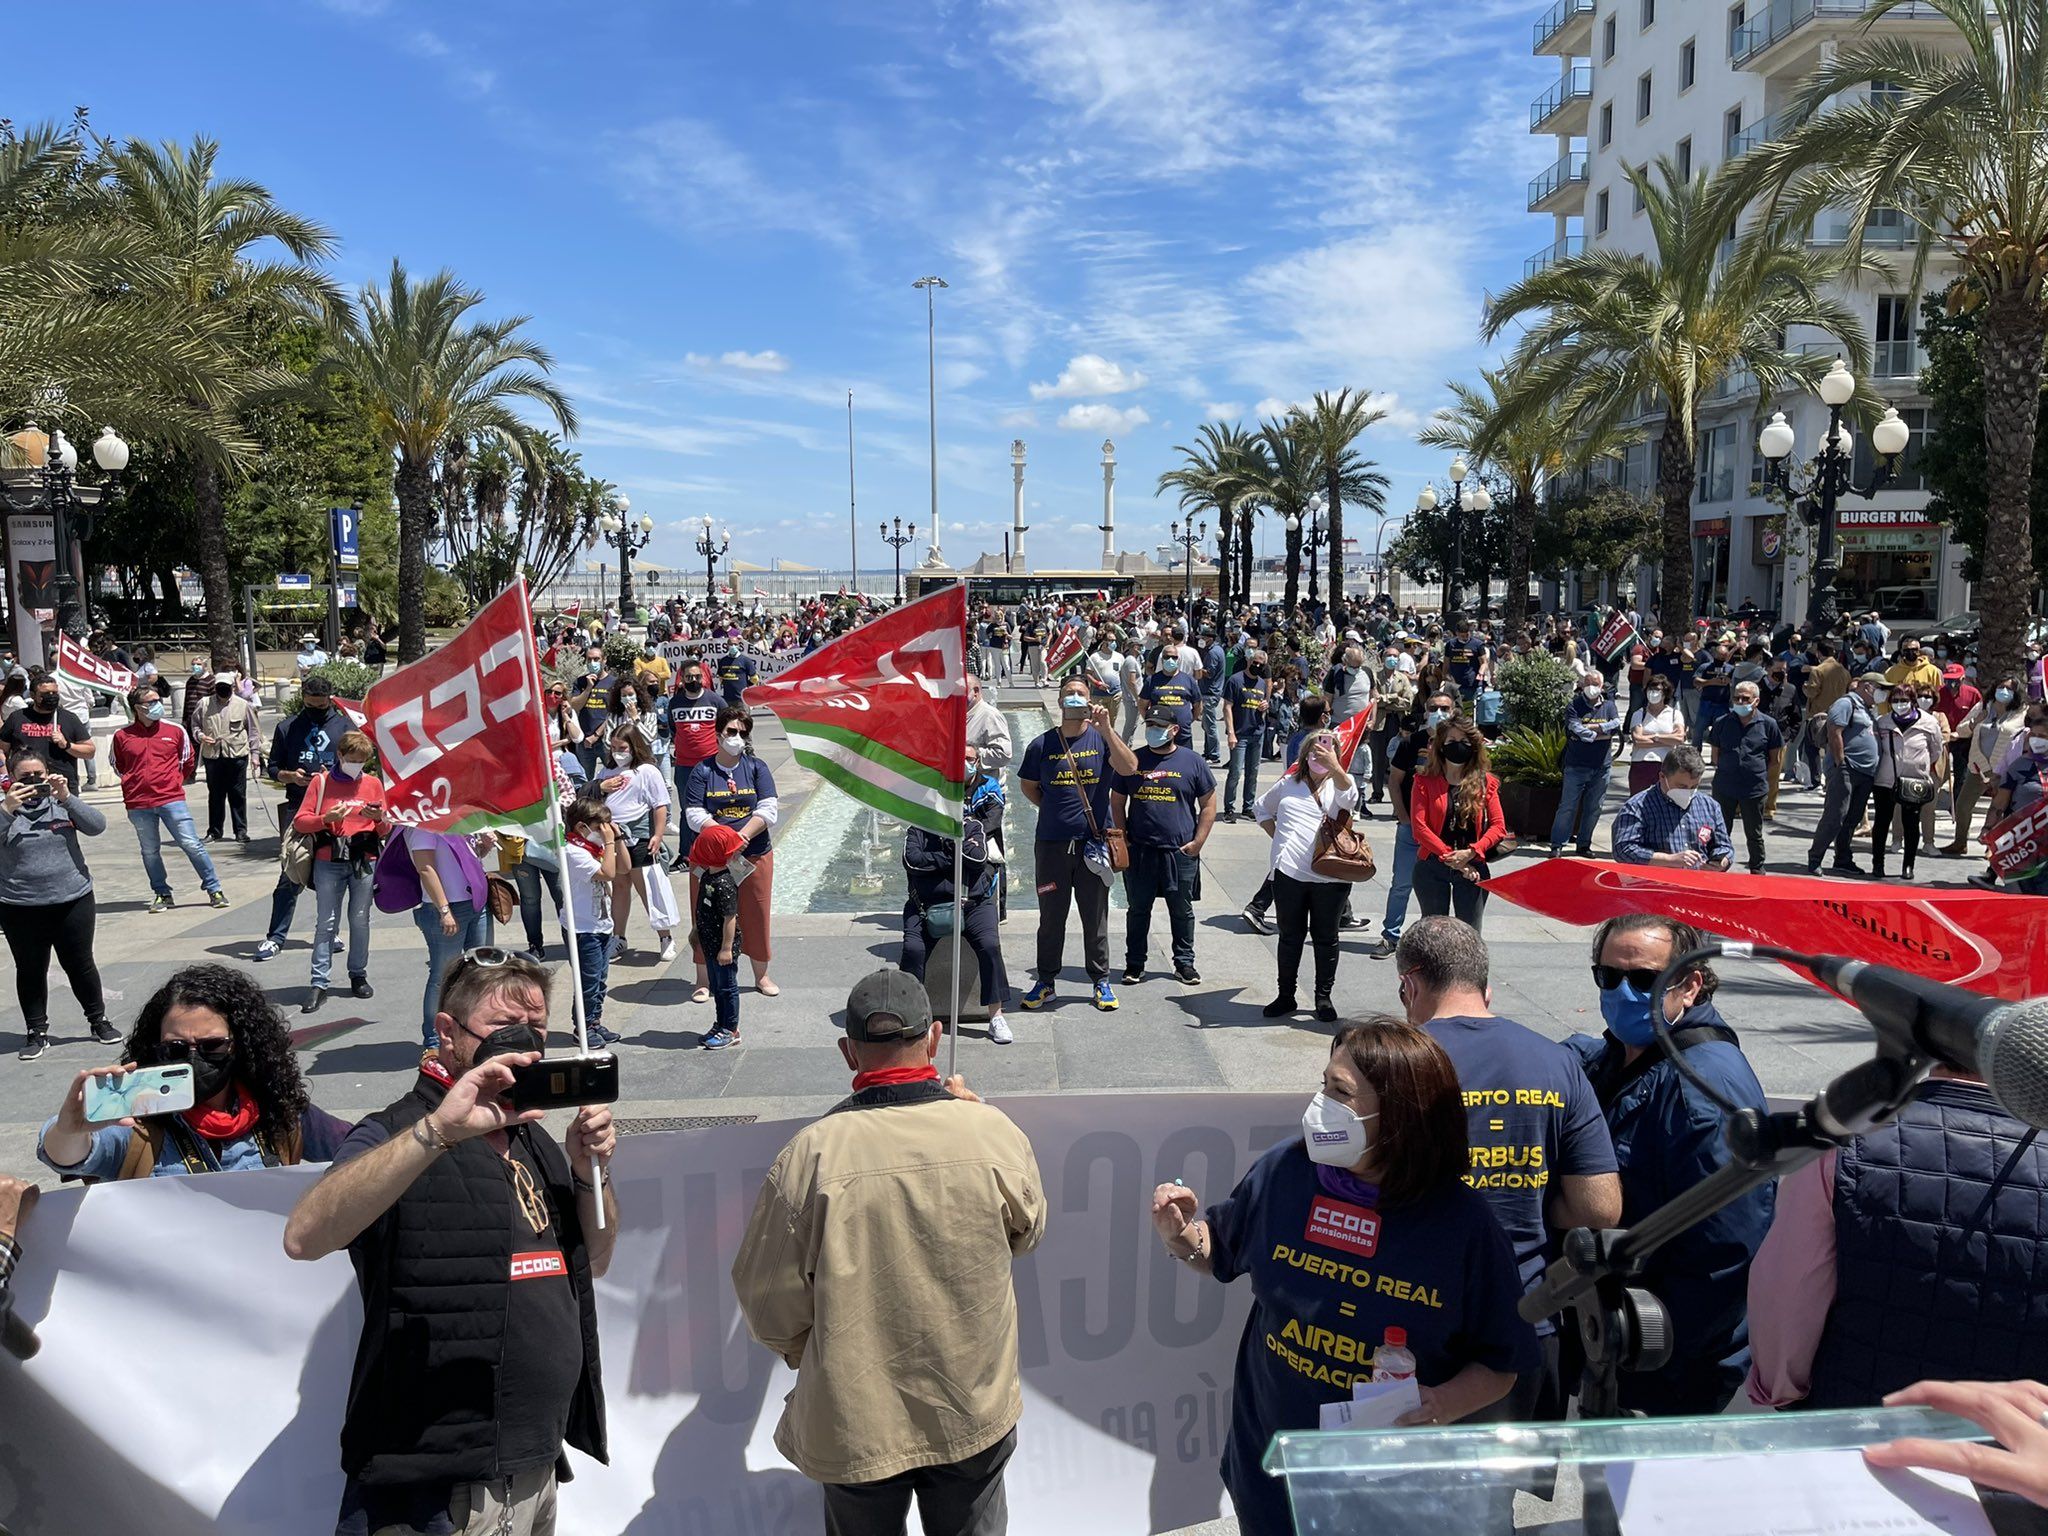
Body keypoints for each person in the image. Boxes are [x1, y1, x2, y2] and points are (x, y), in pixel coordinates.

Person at [1150, 1019, 1538, 1536]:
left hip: (1393, 1495)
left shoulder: (1462, 1226)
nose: (1319, 1104)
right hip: (1273, 1471)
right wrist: (1181, 1236)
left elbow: (1503, 1362)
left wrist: (1442, 1404)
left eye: (1340, 1092)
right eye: (1323, 1085)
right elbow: (1220, 1250)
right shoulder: (1287, 1171)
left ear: (1399, 1115)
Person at [282, 951, 616, 1536]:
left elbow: (598, 1258)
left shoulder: (533, 1135)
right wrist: (436, 1133)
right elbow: (304, 1237)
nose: (524, 1046)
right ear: (447, 1032)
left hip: (534, 1464)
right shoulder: (396, 1130)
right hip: (434, 1487)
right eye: (504, 1030)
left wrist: (592, 1172)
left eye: (537, 1031)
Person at [733, 969, 1044, 1534]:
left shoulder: (809, 1156)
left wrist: (822, 1351)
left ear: (848, 1052)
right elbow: (1028, 1233)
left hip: (857, 1417)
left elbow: (765, 1302)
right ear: (934, 1039)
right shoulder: (992, 1132)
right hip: (971, 1403)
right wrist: (975, 1117)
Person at [1396, 916, 1621, 1420]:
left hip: (1415, 1324)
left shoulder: (1397, 1064)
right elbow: (1600, 1207)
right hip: (1524, 1325)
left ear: (1409, 985)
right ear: (1486, 990)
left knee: (1398, 1488)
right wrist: (1530, 1199)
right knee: (1495, 1496)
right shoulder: (1556, 1063)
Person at [1746, 1066, 2048, 1412]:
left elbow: (1786, 1297)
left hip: (1856, 1438)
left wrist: (1782, 1392)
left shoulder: (1841, 1145)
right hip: (2016, 1450)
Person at [1566, 914, 1774, 1414]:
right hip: (1620, 1340)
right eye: (1608, 976)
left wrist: (1645, 1346)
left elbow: (1727, 1254)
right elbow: (1590, 1060)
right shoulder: (1629, 1051)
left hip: (1666, 1362)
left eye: (1644, 980)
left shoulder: (1701, 1093)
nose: (1623, 992)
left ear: (1689, 985)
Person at [38, 964, 350, 1179]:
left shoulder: (279, 1112)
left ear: (241, 1045)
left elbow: (360, 1145)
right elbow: (68, 1156)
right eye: (175, 1048)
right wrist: (69, 1130)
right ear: (155, 1046)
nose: (193, 1058)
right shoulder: (137, 1122)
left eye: (212, 1045)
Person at [1018, 680, 1138, 1012]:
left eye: (1081, 694)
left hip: (1092, 846)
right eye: (1069, 693)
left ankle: (1100, 981)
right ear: (1058, 700)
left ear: (1090, 701)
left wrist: (1108, 728)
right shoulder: (1041, 745)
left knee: (1094, 916)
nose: (1074, 698)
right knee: (1050, 917)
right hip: (1052, 845)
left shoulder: (1101, 740)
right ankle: (1046, 981)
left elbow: (1130, 767)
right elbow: (1029, 787)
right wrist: (1056, 810)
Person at [0, 749, 113, 1059]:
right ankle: (36, 1031)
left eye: (39, 776)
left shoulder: (61, 805)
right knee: (31, 969)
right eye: (25, 778)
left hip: (72, 899)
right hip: (20, 905)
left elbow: (97, 825)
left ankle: (98, 1020)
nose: (33, 784)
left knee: (80, 963)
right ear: (10, 780)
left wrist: (66, 797)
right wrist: (8, 808)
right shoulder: (6, 809)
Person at [1252, 728, 1361, 1023]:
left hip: (1331, 876)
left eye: (1327, 748)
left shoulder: (1341, 784)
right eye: (1314, 749)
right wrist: (1277, 839)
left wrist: (1335, 766)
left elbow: (1350, 799)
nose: (1320, 753)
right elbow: (1260, 808)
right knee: (1290, 937)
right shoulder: (1289, 783)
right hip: (1289, 874)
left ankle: (1322, 998)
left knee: (1326, 938)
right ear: (1304, 754)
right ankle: (1285, 995)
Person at [901, 774, 1011, 1044]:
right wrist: (949, 854)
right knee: (913, 949)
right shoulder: (918, 829)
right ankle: (911, 1015)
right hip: (925, 907)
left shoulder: (972, 826)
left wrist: (941, 857)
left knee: (989, 945)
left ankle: (996, 1015)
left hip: (974, 904)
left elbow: (976, 858)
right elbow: (912, 861)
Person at [1113, 704, 1217, 987]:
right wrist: (1122, 836)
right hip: (1141, 850)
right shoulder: (1133, 761)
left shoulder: (1192, 761)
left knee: (1181, 910)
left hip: (1179, 852)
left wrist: (1198, 842)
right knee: (1137, 910)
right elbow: (1117, 800)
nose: (1153, 731)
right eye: (1150, 726)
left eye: (1158, 726)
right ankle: (1135, 964)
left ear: (1174, 730)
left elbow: (1208, 803)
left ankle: (1184, 963)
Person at [681, 704, 780, 998]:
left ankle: (761, 976)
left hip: (753, 853)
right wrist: (725, 838)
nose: (736, 737)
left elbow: (769, 809)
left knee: (757, 912)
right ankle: (703, 978)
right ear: (718, 733)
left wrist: (742, 837)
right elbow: (694, 813)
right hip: (710, 858)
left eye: (742, 733)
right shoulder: (703, 770)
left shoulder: (756, 767)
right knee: (704, 913)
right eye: (731, 731)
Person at [112, 682, 227, 913]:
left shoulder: (174, 731)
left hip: (171, 799)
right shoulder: (122, 736)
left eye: (158, 700)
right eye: (151, 702)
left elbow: (188, 761)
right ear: (137, 708)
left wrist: (173, 782)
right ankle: (162, 893)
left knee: (191, 844)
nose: (157, 705)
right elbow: (119, 766)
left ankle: (214, 888)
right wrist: (134, 782)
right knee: (149, 850)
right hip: (138, 803)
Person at [255, 674, 347, 961]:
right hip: (300, 807)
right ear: (303, 699)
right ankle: (275, 937)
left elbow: (361, 762)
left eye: (321, 706)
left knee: (332, 875)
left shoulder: (345, 725)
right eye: (310, 705)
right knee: (290, 873)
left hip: (337, 808)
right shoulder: (288, 728)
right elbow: (271, 768)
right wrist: (290, 777)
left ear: (330, 699)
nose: (316, 710)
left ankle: (329, 932)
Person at [296, 730, 388, 1014]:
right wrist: (326, 819)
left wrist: (379, 819)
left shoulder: (372, 784)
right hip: (329, 858)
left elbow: (386, 828)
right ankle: (319, 982)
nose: (356, 765)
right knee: (326, 922)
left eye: (362, 761)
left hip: (363, 857)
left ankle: (358, 974)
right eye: (352, 759)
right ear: (340, 755)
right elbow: (301, 821)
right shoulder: (320, 782)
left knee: (360, 920)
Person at [384, 826, 496, 1052]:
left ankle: (472, 1032)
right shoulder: (422, 824)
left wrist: (484, 845)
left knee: (479, 971)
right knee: (442, 976)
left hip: (474, 902)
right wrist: (444, 911)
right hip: (446, 908)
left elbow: (469, 858)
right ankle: (434, 1041)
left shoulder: (457, 819)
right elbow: (425, 868)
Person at [1369, 689, 1457, 961]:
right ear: (1426, 710)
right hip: (1411, 828)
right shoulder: (1411, 743)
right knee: (1402, 884)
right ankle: (1390, 935)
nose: (1438, 713)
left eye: (1444, 707)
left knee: (1440, 887)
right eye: (1433, 707)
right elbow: (1394, 781)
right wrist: (1403, 816)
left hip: (1445, 831)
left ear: (1453, 711)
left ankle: (1434, 941)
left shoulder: (1458, 745)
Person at [1409, 718, 1505, 929]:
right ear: (1441, 745)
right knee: (1434, 935)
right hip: (1432, 865)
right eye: (1451, 739)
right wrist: (1454, 859)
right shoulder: (1423, 780)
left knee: (1470, 935)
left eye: (1464, 740)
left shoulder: (1486, 781)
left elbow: (1499, 827)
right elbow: (1419, 827)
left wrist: (1471, 853)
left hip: (1474, 866)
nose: (1458, 744)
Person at [597, 724, 678, 962]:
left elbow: (660, 805)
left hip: (639, 833)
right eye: (613, 748)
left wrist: (658, 835)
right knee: (619, 886)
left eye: (622, 748)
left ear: (634, 747)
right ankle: (618, 937)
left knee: (648, 887)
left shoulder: (647, 771)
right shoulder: (605, 773)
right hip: (611, 836)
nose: (617, 753)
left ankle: (665, 937)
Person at [562, 793, 625, 1048]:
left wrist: (616, 840)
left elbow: (623, 868)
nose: (606, 831)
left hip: (601, 924)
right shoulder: (573, 852)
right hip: (582, 927)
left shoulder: (594, 848)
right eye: (601, 826)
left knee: (600, 979)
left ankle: (595, 1021)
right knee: (587, 981)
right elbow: (608, 873)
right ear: (581, 827)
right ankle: (582, 1026)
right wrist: (610, 844)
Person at [1807, 671, 1883, 878]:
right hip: (1847, 769)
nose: (1883, 693)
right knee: (1835, 815)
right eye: (1880, 688)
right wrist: (1841, 762)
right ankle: (1815, 857)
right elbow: (1835, 731)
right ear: (1868, 687)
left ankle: (1843, 858)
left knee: (1852, 817)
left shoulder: (1868, 709)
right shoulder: (1846, 704)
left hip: (1866, 772)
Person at [1611, 744, 1733, 869]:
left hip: (1699, 880)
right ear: (1662, 777)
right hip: (1657, 883)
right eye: (1682, 786)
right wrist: (1668, 859)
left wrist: (1719, 863)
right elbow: (1623, 850)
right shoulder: (1637, 807)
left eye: (1694, 787)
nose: (1688, 791)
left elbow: (1724, 847)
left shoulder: (1710, 806)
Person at [1706, 679, 1782, 874]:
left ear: (1756, 701)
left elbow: (1775, 759)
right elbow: (1715, 755)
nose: (1740, 702)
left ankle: (1757, 869)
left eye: (1745, 698)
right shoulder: (1722, 723)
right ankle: (1717, 865)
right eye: (1737, 698)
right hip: (1725, 786)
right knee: (1721, 831)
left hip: (1753, 788)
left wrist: (1754, 770)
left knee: (1754, 833)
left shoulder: (1769, 724)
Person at [1871, 683, 1945, 882]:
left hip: (1914, 781)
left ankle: (1908, 865)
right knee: (1881, 822)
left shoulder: (1929, 722)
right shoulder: (1882, 722)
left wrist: (1920, 764)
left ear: (1912, 701)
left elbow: (1936, 750)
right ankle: (1878, 864)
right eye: (1895, 700)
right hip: (1885, 780)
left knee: (1911, 824)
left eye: (1904, 700)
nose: (1899, 704)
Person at [1949, 673, 2027, 856]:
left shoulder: (2022, 712)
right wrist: (1975, 722)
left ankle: (1992, 848)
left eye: (2009, 689)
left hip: (2003, 769)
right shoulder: (1983, 706)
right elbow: (1961, 730)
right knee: (1962, 806)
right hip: (1978, 766)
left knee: (1997, 810)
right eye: (2001, 687)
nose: (2004, 692)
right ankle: (1960, 842)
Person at [688, 820, 748, 1050]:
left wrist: (726, 947)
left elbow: (729, 917)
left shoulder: (724, 883)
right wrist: (697, 931)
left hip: (723, 947)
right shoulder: (708, 877)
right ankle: (720, 1023)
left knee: (727, 988)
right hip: (710, 942)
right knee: (717, 987)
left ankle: (730, 1029)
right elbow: (703, 906)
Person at [1551, 669, 1621, 857]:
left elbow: (1615, 725)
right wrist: (1599, 733)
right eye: (1588, 683)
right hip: (1576, 765)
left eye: (1595, 684)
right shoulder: (1574, 706)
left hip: (1602, 766)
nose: (1592, 688)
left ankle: (1583, 844)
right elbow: (1575, 730)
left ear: (1601, 686)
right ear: (1582, 685)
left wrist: (1591, 728)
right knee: (1567, 806)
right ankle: (1557, 844)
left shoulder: (1609, 706)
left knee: (1594, 808)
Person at [0, 674, 94, 792]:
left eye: (54, 693)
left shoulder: (69, 718)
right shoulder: (17, 718)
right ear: (33, 695)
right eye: (45, 694)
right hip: (25, 787)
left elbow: (89, 751)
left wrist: (67, 745)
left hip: (61, 787)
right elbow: (2, 751)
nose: (51, 696)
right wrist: (5, 778)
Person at [196, 670, 258, 842]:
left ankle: (240, 831)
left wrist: (255, 755)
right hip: (213, 755)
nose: (223, 690)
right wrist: (200, 736)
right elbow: (195, 726)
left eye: (226, 687)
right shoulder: (204, 704)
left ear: (232, 687)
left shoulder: (243, 705)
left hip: (236, 754)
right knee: (215, 795)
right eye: (219, 687)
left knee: (238, 794)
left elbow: (253, 731)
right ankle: (214, 831)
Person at [1221, 650, 1269, 822]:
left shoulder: (1262, 684)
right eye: (1254, 662)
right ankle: (1229, 808)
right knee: (1235, 772)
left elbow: (1263, 704)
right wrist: (1231, 733)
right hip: (1240, 734)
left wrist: (1265, 706)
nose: (1257, 666)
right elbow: (1227, 707)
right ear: (1249, 661)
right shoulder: (1235, 680)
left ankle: (1248, 807)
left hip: (1257, 733)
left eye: (1261, 665)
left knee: (1253, 772)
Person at [1623, 675, 1687, 794]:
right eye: (1650, 690)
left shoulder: (1674, 714)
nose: (1653, 693)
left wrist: (1654, 737)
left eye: (1657, 690)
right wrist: (1667, 739)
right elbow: (1638, 741)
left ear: (1665, 693)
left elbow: (1679, 738)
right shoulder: (1639, 714)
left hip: (1667, 765)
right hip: (1641, 764)